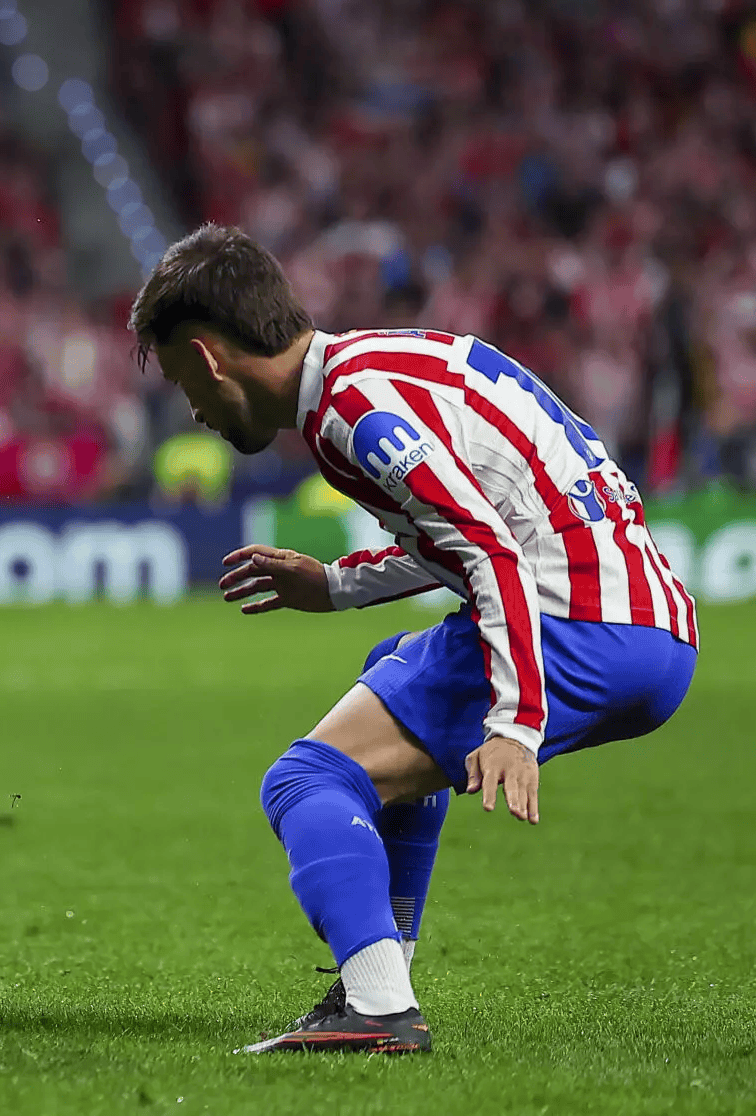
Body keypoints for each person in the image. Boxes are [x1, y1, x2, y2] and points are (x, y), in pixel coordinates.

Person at [128, 225, 698, 1054]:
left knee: (306, 779)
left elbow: (489, 549)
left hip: (578, 623)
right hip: (652, 629)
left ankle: (378, 1008)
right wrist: (335, 585)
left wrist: (516, 725)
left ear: (209, 358)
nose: (194, 410)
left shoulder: (353, 409)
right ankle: (383, 974)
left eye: (185, 381)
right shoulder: (375, 370)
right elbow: (469, 530)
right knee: (387, 666)